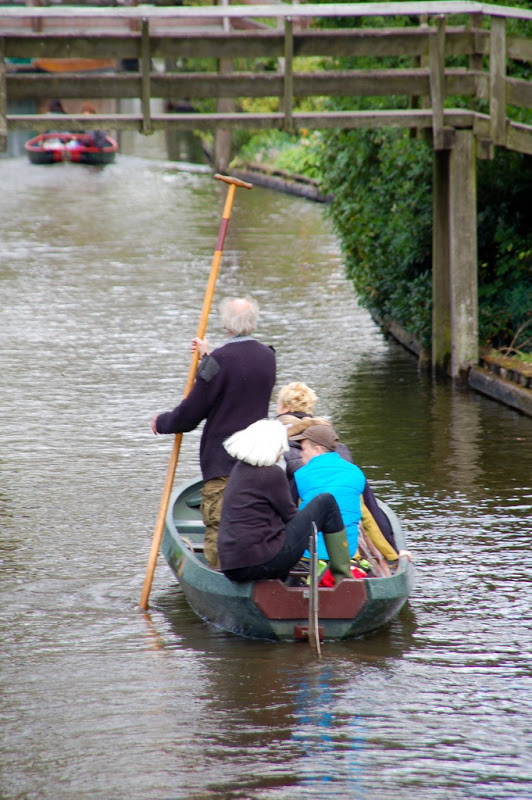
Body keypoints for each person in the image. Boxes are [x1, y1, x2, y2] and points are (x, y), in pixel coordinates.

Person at [151, 295, 276, 569]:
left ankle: (221, 580)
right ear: (253, 321)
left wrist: (162, 422)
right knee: (254, 524)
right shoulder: (268, 357)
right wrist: (207, 358)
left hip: (223, 463)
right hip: (260, 461)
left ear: (226, 324)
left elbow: (189, 415)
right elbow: (238, 380)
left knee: (220, 530)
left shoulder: (219, 362)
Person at [218, 419, 353, 584]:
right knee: (326, 502)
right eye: (281, 449)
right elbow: (291, 517)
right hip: (262, 562)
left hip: (232, 566)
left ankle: (290, 580)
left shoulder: (239, 469)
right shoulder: (271, 473)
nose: (282, 454)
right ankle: (344, 579)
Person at [276, 381, 397, 552]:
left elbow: (284, 510)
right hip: (346, 545)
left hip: (307, 546)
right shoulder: (342, 453)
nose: (302, 454)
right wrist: (393, 552)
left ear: (285, 407)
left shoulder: (288, 458)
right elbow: (368, 512)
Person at [290, 423, 367, 561]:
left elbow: (288, 514)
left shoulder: (300, 475)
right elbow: (369, 514)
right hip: (347, 552)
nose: (300, 454)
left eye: (303, 449)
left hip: (308, 554)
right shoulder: (357, 473)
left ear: (317, 450)